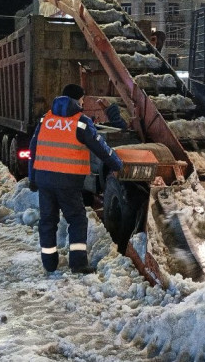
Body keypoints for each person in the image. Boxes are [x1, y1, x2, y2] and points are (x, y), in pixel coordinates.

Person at [29, 83, 123, 275]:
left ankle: (49, 264)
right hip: (68, 182)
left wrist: (32, 177)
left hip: (44, 179)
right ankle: (78, 264)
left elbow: (33, 148)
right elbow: (100, 148)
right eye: (82, 99)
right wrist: (118, 165)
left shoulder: (46, 119)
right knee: (77, 220)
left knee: (47, 221)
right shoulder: (81, 122)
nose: (83, 103)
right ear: (77, 100)